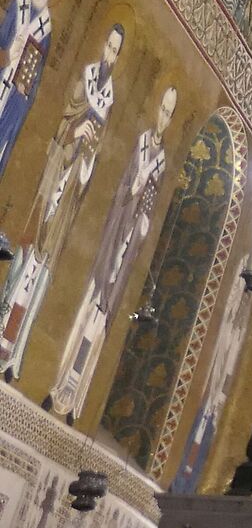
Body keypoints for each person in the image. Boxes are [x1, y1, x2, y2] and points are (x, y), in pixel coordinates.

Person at [0, 25, 122, 376]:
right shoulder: (83, 80)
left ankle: (15, 356)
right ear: (102, 46)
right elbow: (61, 126)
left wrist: (86, 160)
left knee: (38, 276)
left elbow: (95, 158)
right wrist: (74, 133)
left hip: (68, 195)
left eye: (116, 52)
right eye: (109, 47)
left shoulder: (109, 99)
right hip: (51, 181)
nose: (110, 56)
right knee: (23, 264)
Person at [49, 86, 177, 420]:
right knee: (87, 310)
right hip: (113, 240)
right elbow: (123, 189)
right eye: (162, 110)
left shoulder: (162, 161)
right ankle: (58, 386)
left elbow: (150, 203)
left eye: (169, 113)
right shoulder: (143, 143)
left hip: (129, 246)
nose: (163, 118)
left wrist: (144, 222)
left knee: (101, 322)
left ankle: (77, 400)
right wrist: (131, 193)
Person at [0, 0, 60, 179]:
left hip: (10, 110)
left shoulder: (46, 30)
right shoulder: (18, 2)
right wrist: (8, 54)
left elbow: (32, 88)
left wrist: (23, 91)